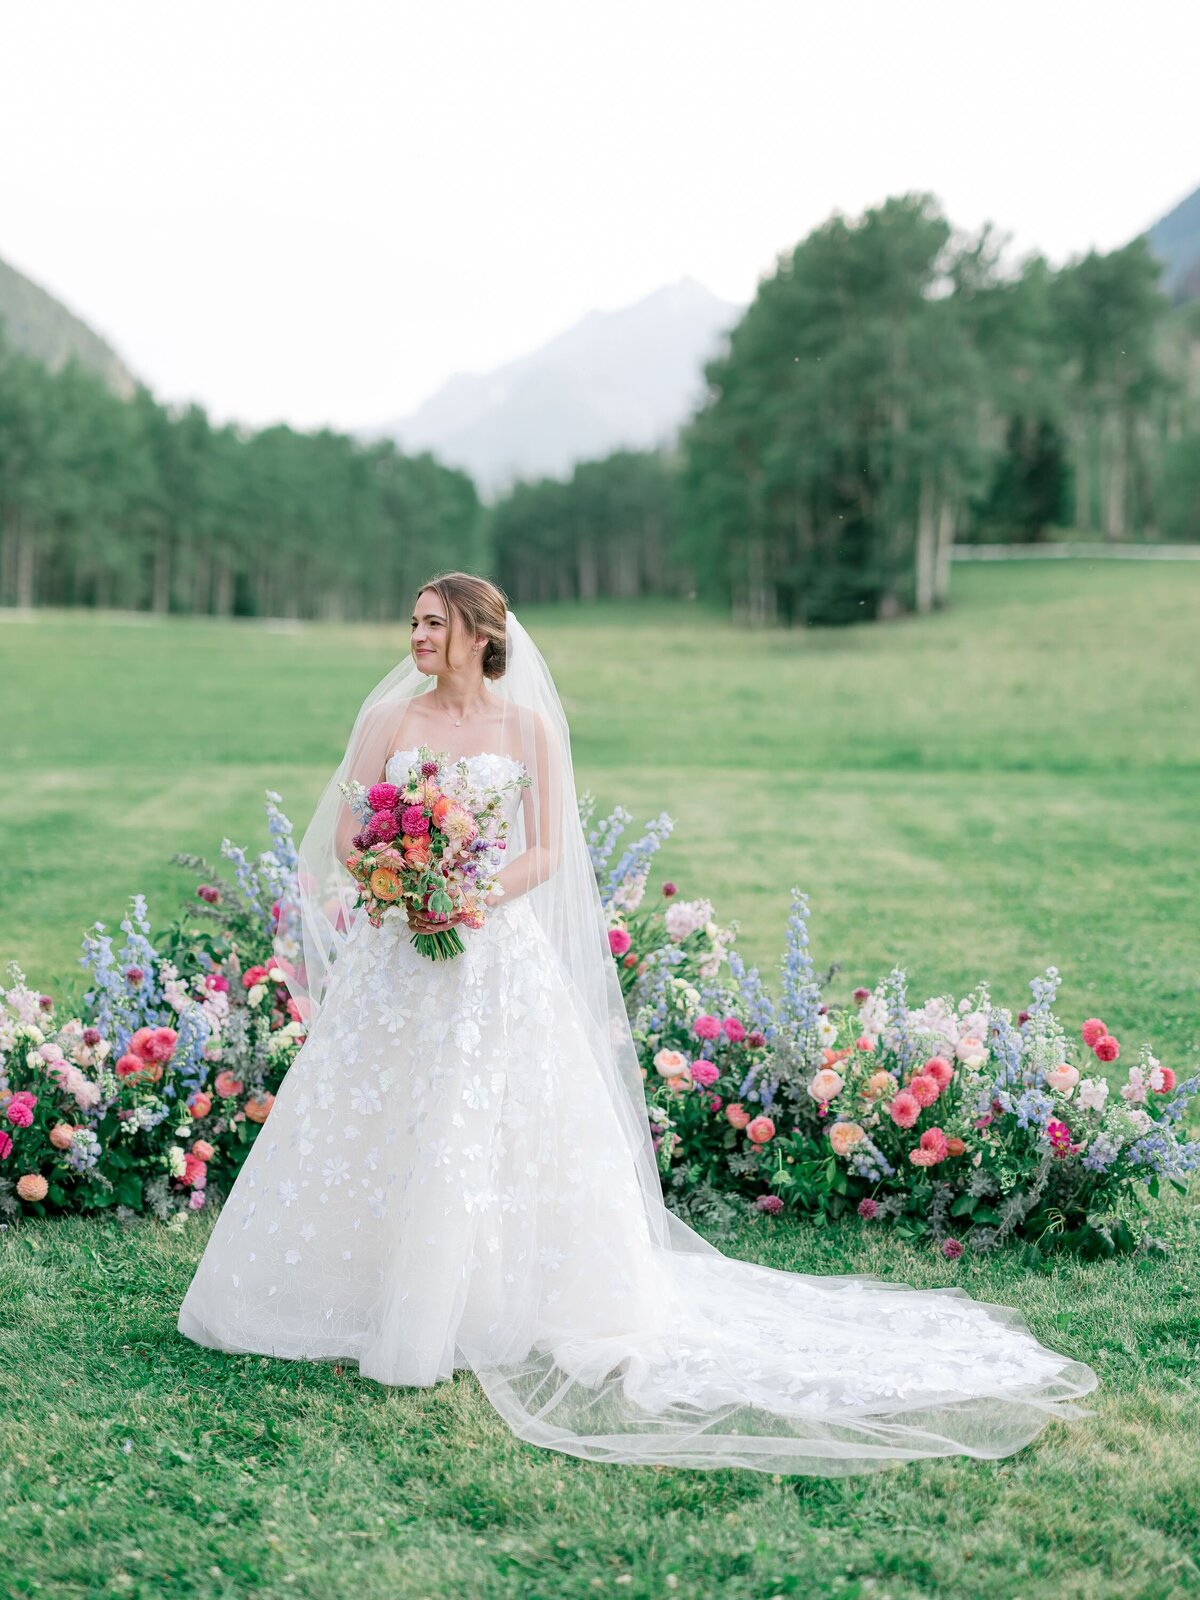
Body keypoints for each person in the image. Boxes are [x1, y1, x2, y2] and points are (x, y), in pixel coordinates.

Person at [177, 570, 1099, 1476]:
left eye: (432, 624)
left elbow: (546, 849)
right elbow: (346, 835)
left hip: (490, 949)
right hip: (400, 954)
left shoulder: (528, 728)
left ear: (480, 636)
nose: (416, 638)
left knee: (489, 1115)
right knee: (377, 1112)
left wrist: (467, 892)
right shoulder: (388, 721)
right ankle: (355, 1287)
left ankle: (486, 1297)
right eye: (412, 621)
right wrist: (400, 880)